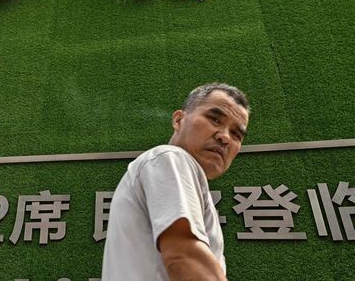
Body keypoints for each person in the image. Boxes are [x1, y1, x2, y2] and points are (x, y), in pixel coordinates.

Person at [101, 83, 250, 281]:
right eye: (214, 119)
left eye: (236, 134)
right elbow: (184, 257)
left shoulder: (173, 167)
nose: (224, 137)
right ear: (179, 120)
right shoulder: (170, 158)